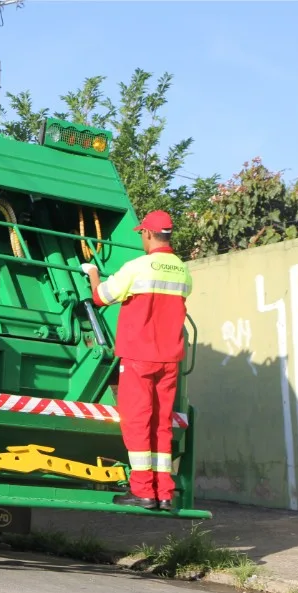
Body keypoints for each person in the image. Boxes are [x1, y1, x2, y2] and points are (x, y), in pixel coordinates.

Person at [80, 210, 193, 510]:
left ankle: (142, 491)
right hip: (170, 360)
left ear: (147, 234)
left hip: (139, 356)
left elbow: (101, 296)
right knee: (161, 424)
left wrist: (91, 273)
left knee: (137, 421)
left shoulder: (138, 267)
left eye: (141, 233)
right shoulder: (182, 270)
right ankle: (164, 493)